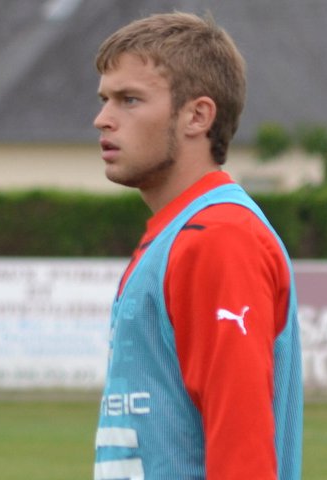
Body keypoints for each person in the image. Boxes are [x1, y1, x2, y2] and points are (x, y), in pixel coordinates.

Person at [92, 12, 303, 480]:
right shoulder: (177, 235)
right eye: (105, 99)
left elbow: (242, 456)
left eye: (129, 100)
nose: (102, 119)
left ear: (197, 116)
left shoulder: (219, 237)